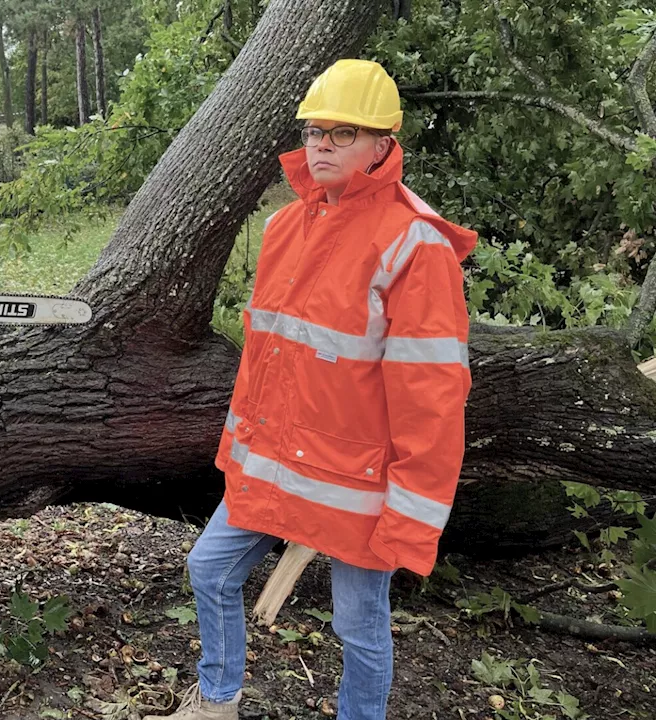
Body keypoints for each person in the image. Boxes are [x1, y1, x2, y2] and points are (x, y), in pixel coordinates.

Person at [148, 59, 475, 720]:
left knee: (358, 624)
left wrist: (409, 515)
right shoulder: (284, 228)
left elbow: (431, 399)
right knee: (210, 570)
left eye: (343, 132)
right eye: (315, 130)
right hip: (276, 464)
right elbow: (266, 363)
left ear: (384, 144)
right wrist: (240, 453)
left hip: (357, 484)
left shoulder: (416, 248)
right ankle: (217, 702)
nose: (321, 143)